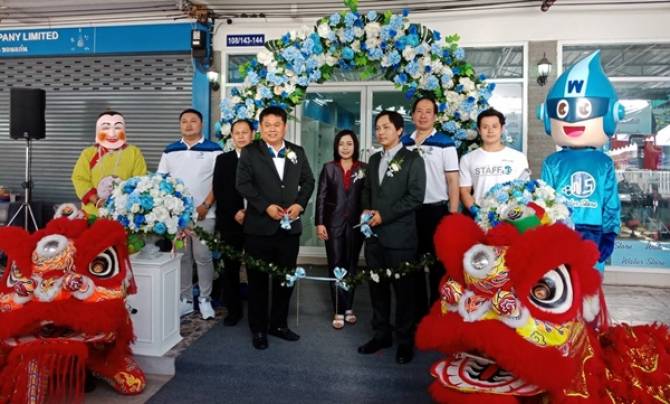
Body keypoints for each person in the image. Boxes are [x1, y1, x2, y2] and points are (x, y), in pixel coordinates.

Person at [236, 106, 315, 350]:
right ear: (260, 128)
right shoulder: (250, 152)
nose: (272, 129)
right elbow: (243, 184)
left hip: (289, 230)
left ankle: (279, 325)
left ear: (285, 127)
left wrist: (299, 205)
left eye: (276, 124)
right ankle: (259, 329)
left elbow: (309, 181)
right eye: (267, 125)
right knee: (258, 282)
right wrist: (265, 206)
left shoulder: (297, 151)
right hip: (259, 229)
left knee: (285, 279)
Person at [538, 50, 623, 276]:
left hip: (593, 234)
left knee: (588, 285)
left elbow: (610, 202)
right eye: (562, 110)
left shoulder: (604, 163)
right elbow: (544, 199)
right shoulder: (552, 162)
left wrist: (609, 234)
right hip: (559, 232)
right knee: (562, 285)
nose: (572, 119)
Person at [358, 110, 426, 365]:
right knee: (377, 288)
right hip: (374, 237)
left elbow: (415, 197)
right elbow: (367, 190)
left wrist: (383, 216)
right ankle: (381, 334)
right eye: (378, 128)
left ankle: (405, 340)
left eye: (386, 127)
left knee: (404, 291)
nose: (380, 132)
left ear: (399, 130)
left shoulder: (412, 159)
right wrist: (366, 210)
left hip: (400, 237)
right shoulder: (374, 159)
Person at [157, 108, 222, 320]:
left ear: (201, 124)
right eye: (184, 121)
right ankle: (185, 300)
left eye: (193, 121)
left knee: (203, 257)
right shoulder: (170, 151)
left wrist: (206, 205)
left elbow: (219, 182)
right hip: (178, 218)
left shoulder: (214, 150)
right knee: (182, 258)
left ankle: (204, 299)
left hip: (205, 215)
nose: (188, 125)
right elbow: (161, 181)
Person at [401, 95, 459, 320]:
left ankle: (437, 315)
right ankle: (418, 315)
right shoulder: (404, 142)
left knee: (438, 266)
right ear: (412, 115)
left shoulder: (445, 143)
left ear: (435, 116)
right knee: (413, 265)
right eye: (419, 111)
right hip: (410, 212)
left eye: (428, 111)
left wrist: (452, 213)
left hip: (436, 211)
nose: (423, 115)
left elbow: (453, 180)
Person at [315, 130, 366, 330]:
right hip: (332, 223)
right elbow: (321, 197)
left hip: (356, 225)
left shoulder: (364, 168)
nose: (345, 147)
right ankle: (338, 309)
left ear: (355, 146)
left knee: (351, 265)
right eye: (341, 144)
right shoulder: (329, 168)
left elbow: (366, 196)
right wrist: (320, 223)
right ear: (336, 146)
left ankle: (348, 307)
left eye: (349, 144)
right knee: (336, 265)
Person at [212, 119, 253, 327]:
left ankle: (256, 312)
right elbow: (219, 190)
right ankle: (234, 311)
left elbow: (266, 190)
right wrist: (235, 212)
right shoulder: (223, 160)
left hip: (256, 221)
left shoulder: (261, 159)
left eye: (245, 132)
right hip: (230, 221)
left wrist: (249, 211)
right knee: (231, 268)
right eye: (237, 133)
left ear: (252, 135)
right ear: (232, 136)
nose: (241, 136)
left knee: (256, 269)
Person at [72, 111, 147, 216]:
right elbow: (79, 179)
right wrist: (97, 201)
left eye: (117, 128)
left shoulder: (134, 152)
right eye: (106, 128)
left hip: (124, 214)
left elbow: (140, 180)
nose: (112, 134)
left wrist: (125, 203)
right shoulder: (88, 153)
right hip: (93, 213)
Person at [459, 108, 530, 213]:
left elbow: (524, 189)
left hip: (511, 215)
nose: (490, 130)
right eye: (485, 127)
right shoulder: (467, 159)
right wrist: (477, 213)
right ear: (479, 130)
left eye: (494, 126)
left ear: (502, 129)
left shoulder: (518, 157)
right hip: (480, 215)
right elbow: (464, 191)